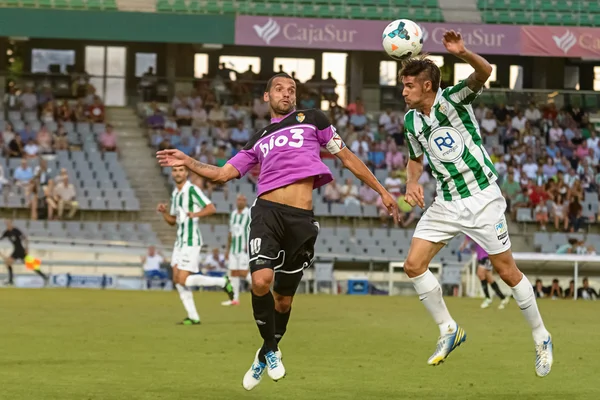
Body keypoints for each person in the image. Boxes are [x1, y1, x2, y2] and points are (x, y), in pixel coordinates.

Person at [157, 72, 398, 391]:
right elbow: (222, 174)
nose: (287, 93)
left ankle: (264, 352)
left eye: (292, 89)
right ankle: (271, 350)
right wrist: (188, 161)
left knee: (283, 300)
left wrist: (381, 190)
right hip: (267, 212)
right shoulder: (258, 137)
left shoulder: (313, 119)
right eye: (280, 89)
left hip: (301, 219)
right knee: (260, 280)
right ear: (266, 97)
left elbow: (347, 157)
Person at [400, 31, 553, 377]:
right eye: (403, 85)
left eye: (409, 85)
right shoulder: (410, 121)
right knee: (413, 265)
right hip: (446, 203)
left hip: (482, 198)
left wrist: (463, 51)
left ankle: (541, 336)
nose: (403, 91)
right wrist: (411, 183)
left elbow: (485, 72)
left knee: (506, 271)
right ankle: (448, 330)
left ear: (427, 86)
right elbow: (415, 160)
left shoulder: (455, 99)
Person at [155, 166, 234, 325]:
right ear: (172, 174)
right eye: (175, 170)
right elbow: (173, 222)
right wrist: (164, 212)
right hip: (180, 241)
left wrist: (195, 214)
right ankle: (193, 316)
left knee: (184, 280)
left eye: (180, 170)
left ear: (186, 173)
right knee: (177, 280)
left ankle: (222, 282)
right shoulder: (176, 194)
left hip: (191, 240)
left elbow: (211, 208)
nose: (177, 173)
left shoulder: (192, 190)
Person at [460, 236, 510, 309]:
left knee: (480, 273)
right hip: (481, 256)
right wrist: (470, 248)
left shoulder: (479, 229)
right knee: (489, 278)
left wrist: (463, 246)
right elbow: (470, 240)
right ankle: (503, 298)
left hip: (487, 256)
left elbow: (468, 239)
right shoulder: (475, 231)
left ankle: (487, 298)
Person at [222, 194, 251, 306]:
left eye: (242, 200)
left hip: (244, 248)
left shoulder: (249, 214)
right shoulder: (233, 214)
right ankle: (234, 299)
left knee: (243, 272)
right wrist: (227, 250)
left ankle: (263, 288)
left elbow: (254, 229)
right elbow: (230, 233)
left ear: (245, 201)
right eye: (238, 200)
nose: (240, 202)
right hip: (234, 249)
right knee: (233, 273)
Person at [1, 219, 48, 285]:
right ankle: (10, 280)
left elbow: (25, 238)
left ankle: (44, 277)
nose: (8, 225)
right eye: (7, 223)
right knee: (8, 263)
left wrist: (27, 249)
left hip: (21, 250)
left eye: (9, 223)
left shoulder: (16, 230)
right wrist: (2, 255)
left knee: (32, 265)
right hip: (16, 251)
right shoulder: (6, 232)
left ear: (11, 223)